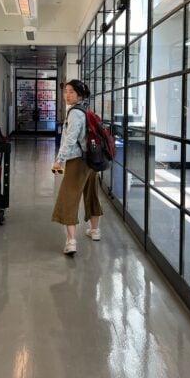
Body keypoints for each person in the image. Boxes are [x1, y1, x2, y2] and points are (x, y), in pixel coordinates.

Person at [51, 79, 103, 255]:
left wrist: (59, 159)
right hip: (92, 160)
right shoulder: (86, 110)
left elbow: (70, 139)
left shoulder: (74, 113)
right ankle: (95, 230)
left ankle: (71, 241)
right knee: (92, 195)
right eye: (66, 91)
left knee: (68, 198)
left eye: (71, 92)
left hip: (77, 161)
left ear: (80, 95)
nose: (67, 95)